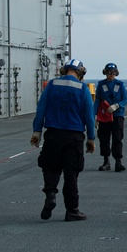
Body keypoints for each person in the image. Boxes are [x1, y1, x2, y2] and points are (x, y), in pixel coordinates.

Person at [31, 59, 95, 221]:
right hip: (74, 136)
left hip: (53, 134)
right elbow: (89, 116)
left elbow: (41, 110)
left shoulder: (52, 85)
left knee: (51, 167)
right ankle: (72, 210)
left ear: (64, 70)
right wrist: (91, 138)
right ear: (80, 72)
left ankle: (51, 194)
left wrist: (37, 132)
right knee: (71, 173)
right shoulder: (82, 88)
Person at [95, 62, 127, 172]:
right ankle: (106, 162)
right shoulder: (101, 85)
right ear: (105, 73)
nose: (111, 74)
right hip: (104, 116)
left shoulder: (120, 85)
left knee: (117, 138)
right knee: (103, 138)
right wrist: (95, 116)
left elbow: (125, 99)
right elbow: (97, 101)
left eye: (114, 72)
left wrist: (117, 105)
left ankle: (118, 162)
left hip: (117, 115)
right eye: (109, 72)